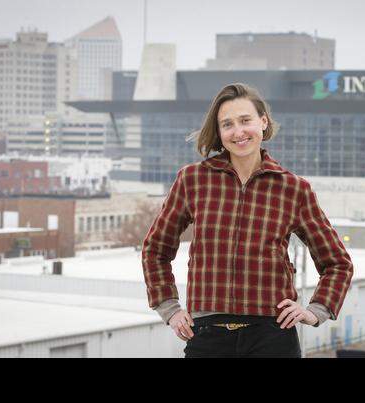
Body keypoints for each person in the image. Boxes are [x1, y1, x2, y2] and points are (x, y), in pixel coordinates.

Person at [142, 83, 353, 358]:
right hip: (207, 334)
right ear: (219, 132)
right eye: (227, 124)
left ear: (263, 122)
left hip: (272, 336)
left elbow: (338, 263)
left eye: (245, 120)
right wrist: (169, 308)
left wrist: (316, 311)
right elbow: (155, 249)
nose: (238, 132)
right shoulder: (192, 179)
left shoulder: (293, 188)